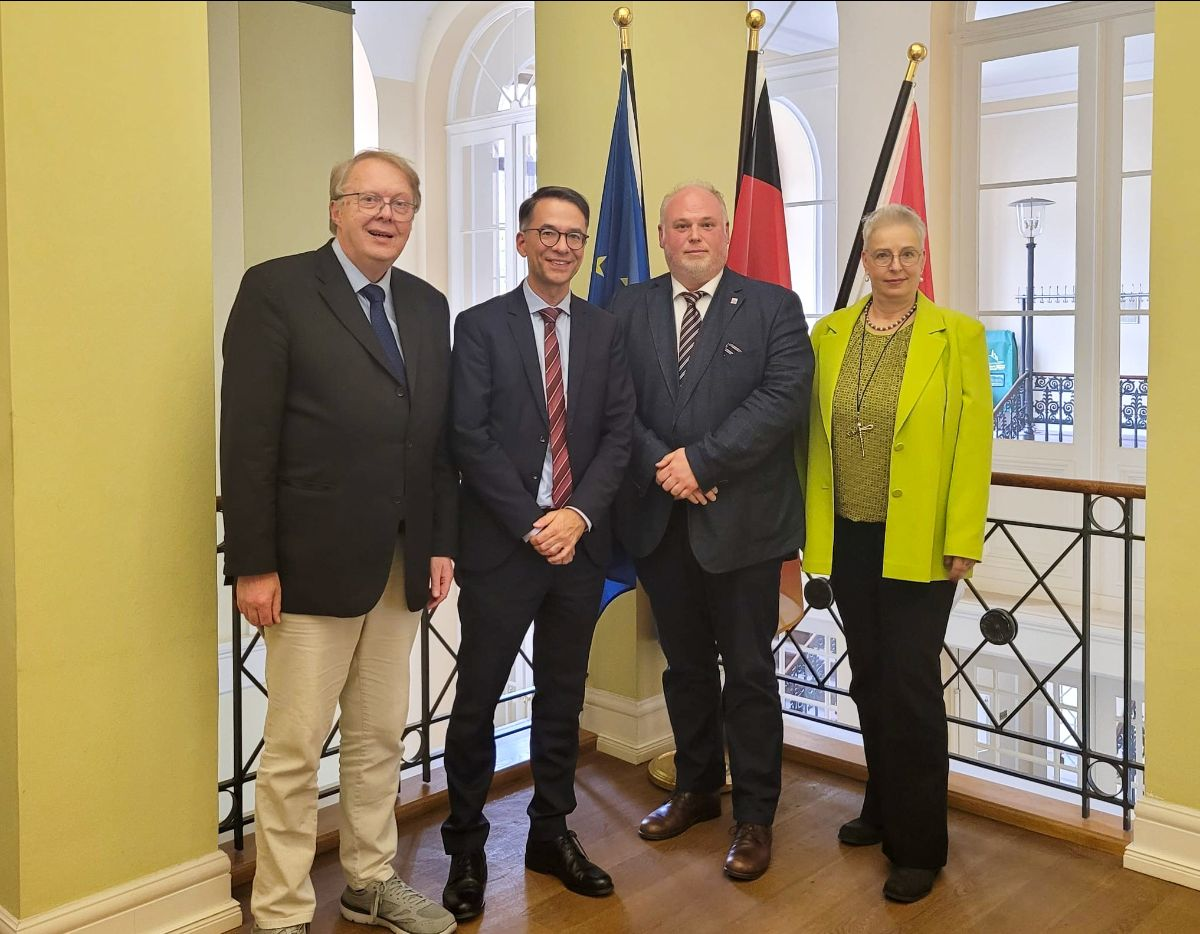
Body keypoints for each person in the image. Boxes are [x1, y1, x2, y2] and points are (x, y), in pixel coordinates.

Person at [221, 149, 458, 934]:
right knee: (293, 750)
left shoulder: (426, 305)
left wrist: (439, 542)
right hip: (307, 566)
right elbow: (247, 440)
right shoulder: (277, 290)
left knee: (379, 736)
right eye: (368, 199)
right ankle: (281, 909)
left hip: (399, 564)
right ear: (335, 209)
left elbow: (435, 439)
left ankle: (369, 881)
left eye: (400, 202)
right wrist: (253, 563)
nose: (386, 214)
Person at [440, 186, 635, 920]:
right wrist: (533, 522)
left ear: (584, 247)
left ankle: (550, 834)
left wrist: (576, 517)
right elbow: (469, 437)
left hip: (579, 548)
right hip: (504, 547)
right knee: (477, 701)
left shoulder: (606, 331)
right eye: (547, 233)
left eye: (574, 236)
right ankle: (465, 847)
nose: (561, 246)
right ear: (522, 241)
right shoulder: (480, 326)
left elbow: (619, 435)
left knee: (561, 697)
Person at [612, 182, 813, 881]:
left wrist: (702, 461)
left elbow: (782, 398)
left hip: (745, 528)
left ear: (725, 232)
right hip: (661, 523)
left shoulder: (773, 307)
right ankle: (697, 789)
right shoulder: (629, 307)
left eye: (706, 224)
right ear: (661, 237)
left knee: (750, 674)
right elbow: (616, 402)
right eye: (680, 225)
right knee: (686, 667)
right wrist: (668, 470)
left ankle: (754, 815)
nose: (693, 236)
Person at [802, 203, 992, 903]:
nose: (895, 266)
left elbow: (974, 443)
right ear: (864, 261)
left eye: (908, 253)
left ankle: (919, 846)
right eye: (882, 254)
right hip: (849, 532)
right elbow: (811, 432)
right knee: (870, 676)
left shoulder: (958, 335)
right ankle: (882, 804)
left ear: (923, 258)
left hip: (921, 540)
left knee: (909, 685)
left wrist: (963, 535)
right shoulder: (829, 333)